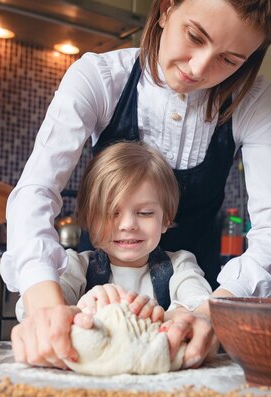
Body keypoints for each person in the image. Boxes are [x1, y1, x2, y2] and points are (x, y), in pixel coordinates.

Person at [1, 0, 271, 369]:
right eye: (194, 36)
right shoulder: (98, 77)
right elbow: (36, 192)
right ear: (166, 9)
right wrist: (47, 309)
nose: (199, 67)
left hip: (196, 297)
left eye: (230, 60)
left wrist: (209, 313)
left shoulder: (256, 101)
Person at [12, 142, 213, 368]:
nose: (127, 224)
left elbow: (201, 306)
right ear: (90, 220)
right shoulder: (76, 265)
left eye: (145, 213)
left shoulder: (181, 265)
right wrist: (82, 309)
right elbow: (30, 311)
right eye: (111, 213)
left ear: (166, 218)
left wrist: (152, 313)